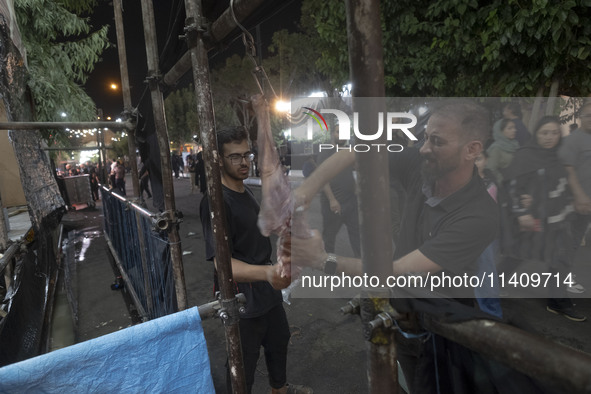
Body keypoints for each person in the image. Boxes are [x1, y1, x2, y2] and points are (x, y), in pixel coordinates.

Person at [289, 101, 540, 393]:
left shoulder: (480, 215)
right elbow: (359, 150)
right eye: (425, 138)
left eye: (437, 141)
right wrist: (306, 190)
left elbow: (399, 272)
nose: (423, 149)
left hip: (438, 330)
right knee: (393, 375)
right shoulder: (422, 166)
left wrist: (323, 259)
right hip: (398, 314)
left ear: (472, 150)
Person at [199, 126, 311, 394]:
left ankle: (279, 389)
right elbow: (223, 265)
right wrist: (269, 273)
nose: (244, 162)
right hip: (241, 297)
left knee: (279, 340)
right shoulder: (216, 202)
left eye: (246, 154)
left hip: (266, 291)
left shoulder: (244, 190)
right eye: (234, 157)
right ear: (218, 160)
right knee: (242, 363)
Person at [501, 116, 585, 322]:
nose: (549, 138)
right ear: (536, 134)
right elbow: (511, 187)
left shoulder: (559, 157)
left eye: (555, 133)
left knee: (560, 259)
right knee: (517, 255)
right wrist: (522, 213)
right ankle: (491, 283)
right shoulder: (525, 156)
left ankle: (557, 302)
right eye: (544, 133)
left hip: (558, 219)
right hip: (532, 219)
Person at [559, 102, 591, 288]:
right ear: (580, 117)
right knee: (568, 244)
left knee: (573, 242)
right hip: (573, 202)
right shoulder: (573, 140)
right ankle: (562, 282)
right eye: (588, 115)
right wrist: (579, 196)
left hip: (586, 203)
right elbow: (568, 170)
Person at [486, 118, 519, 183]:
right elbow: (490, 168)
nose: (514, 130)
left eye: (514, 127)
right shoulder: (496, 148)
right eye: (510, 128)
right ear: (500, 131)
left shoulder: (515, 144)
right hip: (504, 184)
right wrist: (501, 180)